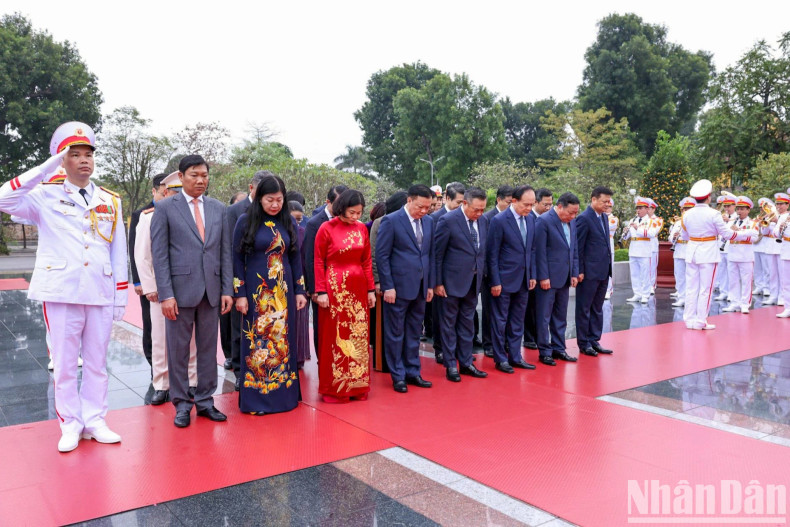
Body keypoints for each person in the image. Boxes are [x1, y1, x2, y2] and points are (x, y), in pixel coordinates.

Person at [0, 122, 128, 452]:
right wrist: (46, 168)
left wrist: (120, 296)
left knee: (98, 363)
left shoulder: (110, 200)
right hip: (61, 291)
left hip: (99, 291)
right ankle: (70, 423)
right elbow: (4, 199)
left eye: (88, 154)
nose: (84, 160)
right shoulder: (44, 195)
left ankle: (95, 420)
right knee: (66, 363)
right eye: (75, 155)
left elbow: (117, 250)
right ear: (62, 159)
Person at [151, 154, 233, 428]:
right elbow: (159, 255)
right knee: (179, 351)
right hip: (179, 292)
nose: (200, 180)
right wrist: (166, 294)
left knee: (209, 350)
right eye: (194, 175)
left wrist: (226, 290)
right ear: (181, 176)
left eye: (204, 175)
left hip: (211, 291)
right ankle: (182, 404)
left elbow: (224, 252)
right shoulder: (165, 208)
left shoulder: (218, 208)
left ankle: (206, 401)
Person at [232, 174, 308, 414]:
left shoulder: (288, 222)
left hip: (283, 293)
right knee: (258, 341)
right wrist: (240, 293)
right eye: (269, 200)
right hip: (257, 294)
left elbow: (296, 257)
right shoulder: (246, 221)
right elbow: (236, 258)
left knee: (283, 341)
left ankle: (283, 397)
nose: (275, 205)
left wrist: (300, 290)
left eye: (279, 199)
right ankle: (257, 398)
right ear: (259, 198)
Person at [134, 172, 198, 405]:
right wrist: (150, 286)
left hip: (190, 286)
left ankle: (191, 381)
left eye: (182, 192)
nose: (178, 196)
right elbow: (142, 255)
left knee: (191, 338)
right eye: (174, 192)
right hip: (162, 289)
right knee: (160, 338)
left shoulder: (195, 215)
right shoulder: (149, 217)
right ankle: (162, 384)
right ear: (165, 192)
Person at [313, 190, 375, 402]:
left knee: (358, 336)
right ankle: (335, 388)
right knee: (335, 336)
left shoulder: (361, 229)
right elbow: (318, 261)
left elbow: (366, 261)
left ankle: (357, 386)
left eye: (359, 213)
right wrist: (320, 291)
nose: (356, 217)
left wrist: (370, 290)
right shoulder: (326, 228)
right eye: (352, 212)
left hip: (358, 288)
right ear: (341, 208)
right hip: (334, 288)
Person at [376, 184, 435, 393]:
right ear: (409, 200)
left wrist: (430, 285)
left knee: (414, 332)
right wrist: (388, 286)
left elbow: (430, 255)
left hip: (420, 286)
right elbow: (382, 256)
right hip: (397, 288)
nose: (424, 211)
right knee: (395, 333)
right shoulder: (391, 221)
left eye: (428, 207)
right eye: (420, 206)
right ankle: (398, 375)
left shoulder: (428, 222)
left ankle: (413, 371)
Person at [680, 179, 752, 330]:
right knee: (705, 289)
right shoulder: (714, 214)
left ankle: (689, 319)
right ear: (708, 197)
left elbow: (685, 236)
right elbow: (727, 234)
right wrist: (747, 233)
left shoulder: (686, 214)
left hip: (692, 251)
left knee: (692, 287)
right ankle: (700, 321)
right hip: (708, 252)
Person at [434, 187, 489, 382]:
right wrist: (438, 282)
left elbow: (482, 252)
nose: (480, 213)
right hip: (450, 283)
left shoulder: (483, 221)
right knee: (448, 326)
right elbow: (437, 255)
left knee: (467, 326)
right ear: (464, 203)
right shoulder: (447, 221)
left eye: (483, 209)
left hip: (473, 283)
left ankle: (466, 363)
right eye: (476, 209)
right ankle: (451, 365)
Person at [225, 170, 271, 390]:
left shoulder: (274, 211)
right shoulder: (235, 211)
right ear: (252, 189)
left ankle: (265, 367)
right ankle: (240, 371)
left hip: (267, 281)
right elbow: (229, 248)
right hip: (241, 276)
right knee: (239, 326)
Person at [486, 185, 538, 373]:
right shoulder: (499, 221)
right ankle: (501, 359)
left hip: (523, 280)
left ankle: (515, 356)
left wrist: (532, 274)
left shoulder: (531, 219)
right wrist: (495, 281)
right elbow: (492, 254)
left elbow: (531, 249)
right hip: (504, 280)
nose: (529, 208)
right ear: (514, 201)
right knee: (500, 321)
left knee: (517, 321)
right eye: (526, 204)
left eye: (532, 205)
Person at [534, 192, 581, 366]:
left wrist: (574, 272)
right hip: (548, 278)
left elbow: (574, 249)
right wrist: (543, 276)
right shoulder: (544, 221)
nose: (573, 216)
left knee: (560, 316)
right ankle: (544, 351)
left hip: (565, 277)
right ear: (559, 206)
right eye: (570, 212)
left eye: (575, 213)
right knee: (544, 316)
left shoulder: (572, 222)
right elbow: (539, 252)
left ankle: (559, 348)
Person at [304, 185, 348, 360]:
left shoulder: (348, 222)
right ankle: (323, 361)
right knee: (322, 326)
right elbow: (310, 257)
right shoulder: (315, 223)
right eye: (339, 204)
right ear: (328, 202)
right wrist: (314, 288)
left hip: (344, 283)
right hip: (323, 284)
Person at [129, 174, 164, 378]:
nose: (166, 195)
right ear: (154, 191)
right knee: (150, 323)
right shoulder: (141, 214)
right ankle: (153, 364)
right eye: (162, 192)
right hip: (147, 279)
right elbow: (135, 249)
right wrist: (138, 280)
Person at [574, 187, 615, 357]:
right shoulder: (584, 218)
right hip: (588, 273)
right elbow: (579, 247)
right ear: (593, 199)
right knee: (584, 308)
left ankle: (594, 339)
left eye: (609, 201)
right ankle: (584, 343)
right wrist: (580, 270)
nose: (608, 204)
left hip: (603, 271)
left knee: (597, 308)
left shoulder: (603, 218)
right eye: (604, 201)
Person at [370, 191, 408, 372]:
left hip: (407, 281)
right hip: (387, 281)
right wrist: (378, 281)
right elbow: (376, 254)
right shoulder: (382, 222)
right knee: (387, 325)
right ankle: (384, 361)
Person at [429, 182, 465, 364]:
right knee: (440, 316)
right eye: (458, 202)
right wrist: (437, 280)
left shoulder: (467, 218)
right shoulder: (436, 218)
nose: (461, 205)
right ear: (447, 199)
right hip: (443, 277)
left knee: (460, 317)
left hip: (462, 277)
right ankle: (440, 349)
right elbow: (435, 252)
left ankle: (457, 349)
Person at [481, 185, 513, 358]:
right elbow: (486, 249)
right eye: (508, 202)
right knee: (489, 311)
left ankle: (504, 343)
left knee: (506, 313)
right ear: (499, 200)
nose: (510, 205)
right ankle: (488, 344)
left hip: (509, 274)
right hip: (490, 273)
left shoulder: (515, 218)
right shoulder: (487, 218)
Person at [524, 188, 553, 349]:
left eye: (551, 204)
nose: (548, 208)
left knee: (539, 307)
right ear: (536, 202)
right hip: (528, 270)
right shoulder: (528, 218)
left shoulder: (548, 219)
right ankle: (529, 337)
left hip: (542, 270)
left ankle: (539, 336)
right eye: (545, 204)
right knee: (529, 307)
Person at [722, 196, 759, 314]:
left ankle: (745, 304)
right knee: (733, 280)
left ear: (748, 210)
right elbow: (726, 235)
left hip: (745, 255)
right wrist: (740, 233)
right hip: (732, 253)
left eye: (742, 209)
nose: (739, 211)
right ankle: (734, 302)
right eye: (738, 209)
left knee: (746, 280)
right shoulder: (731, 222)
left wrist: (738, 232)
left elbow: (754, 237)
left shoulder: (752, 223)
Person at [624, 197, 659, 303]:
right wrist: (625, 232)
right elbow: (627, 237)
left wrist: (637, 228)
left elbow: (652, 234)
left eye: (641, 208)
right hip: (633, 249)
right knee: (634, 274)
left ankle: (645, 294)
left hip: (644, 250)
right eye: (637, 208)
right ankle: (637, 294)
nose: (638, 210)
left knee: (645, 273)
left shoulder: (651, 221)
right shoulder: (632, 220)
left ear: (647, 209)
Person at [290, 201, 310, 367]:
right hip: (280, 281)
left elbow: (306, 260)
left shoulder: (304, 233)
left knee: (300, 321)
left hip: (300, 281)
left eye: (299, 219)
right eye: (294, 219)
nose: (297, 223)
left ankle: (299, 357)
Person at [669, 198, 696, 307]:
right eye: (684, 209)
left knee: (691, 277)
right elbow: (670, 237)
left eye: (688, 209)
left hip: (690, 250)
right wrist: (673, 237)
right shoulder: (678, 222)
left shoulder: (696, 222)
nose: (686, 211)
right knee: (679, 276)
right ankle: (681, 297)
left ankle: (691, 299)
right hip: (679, 250)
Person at [714, 195, 737, 301]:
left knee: (731, 271)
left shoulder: (737, 216)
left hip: (732, 247)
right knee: (722, 270)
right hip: (721, 246)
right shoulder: (721, 216)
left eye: (729, 206)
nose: (727, 208)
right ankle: (724, 291)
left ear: (734, 206)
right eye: (725, 206)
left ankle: (732, 293)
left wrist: (729, 220)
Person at [774, 193, 790, 317]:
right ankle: (788, 307)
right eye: (777, 204)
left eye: (781, 204)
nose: (778, 206)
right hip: (786, 249)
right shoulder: (783, 217)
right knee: (786, 282)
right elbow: (775, 234)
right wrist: (779, 229)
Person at [646, 199, 663, 295]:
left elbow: (654, 232)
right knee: (645, 268)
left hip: (652, 245)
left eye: (649, 208)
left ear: (653, 209)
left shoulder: (658, 220)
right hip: (643, 246)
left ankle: (652, 285)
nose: (647, 210)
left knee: (652, 267)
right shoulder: (642, 219)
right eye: (646, 208)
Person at [604, 199, 618, 299]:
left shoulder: (613, 219)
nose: (606, 208)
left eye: (608, 207)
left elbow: (605, 227)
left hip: (609, 244)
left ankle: (609, 290)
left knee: (609, 269)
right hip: (599, 246)